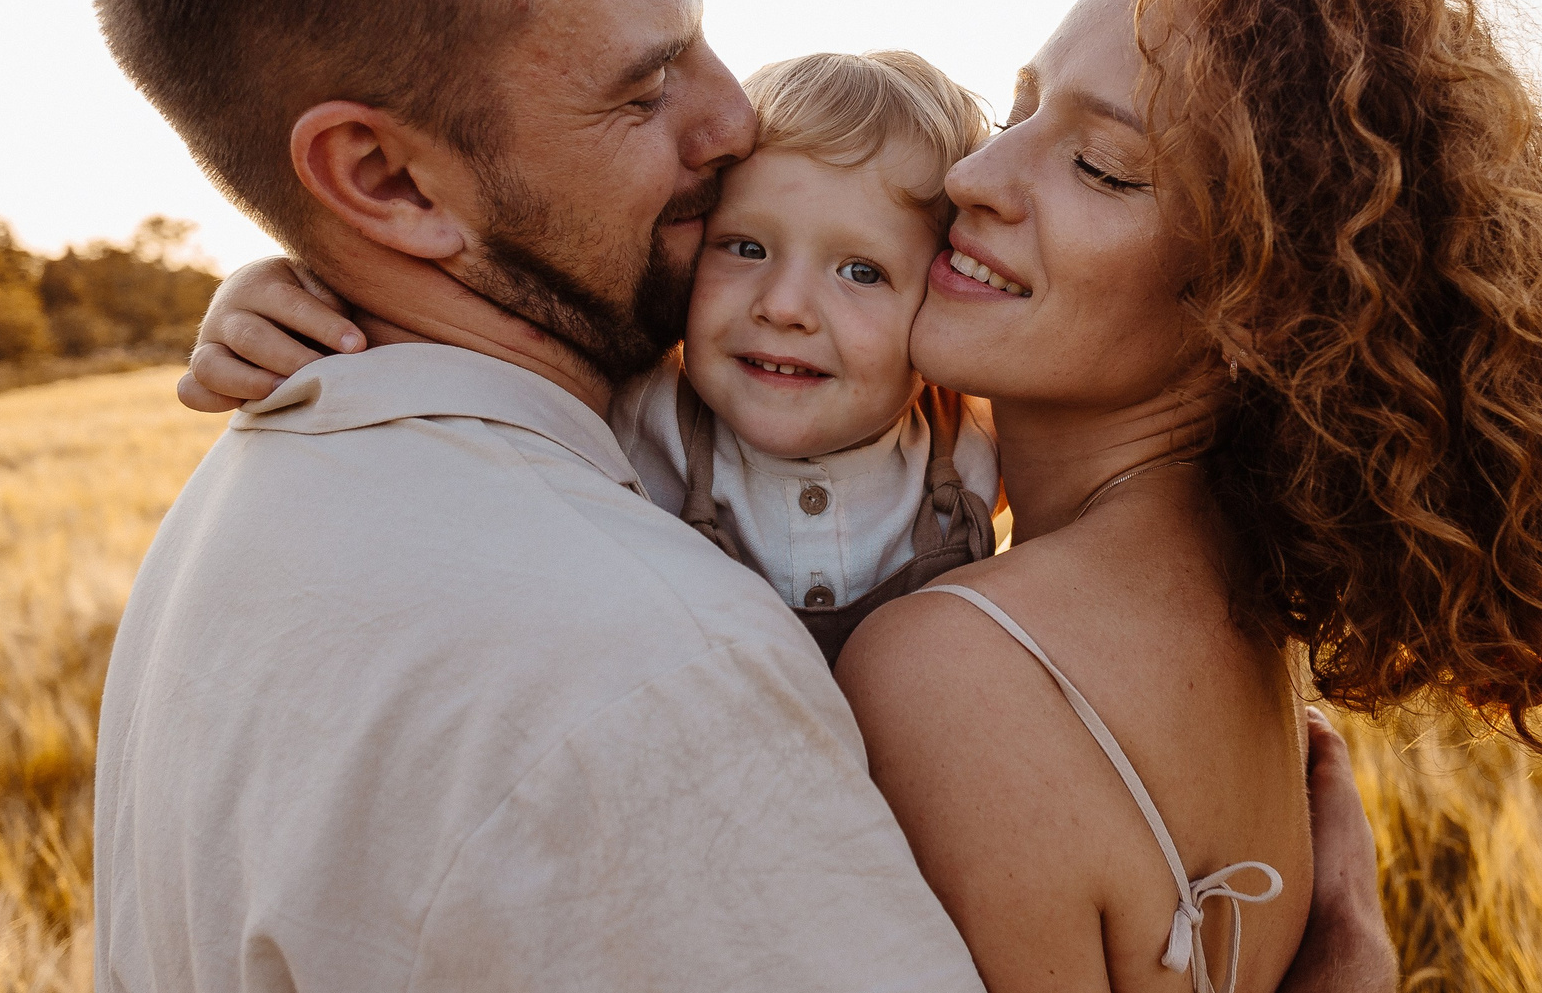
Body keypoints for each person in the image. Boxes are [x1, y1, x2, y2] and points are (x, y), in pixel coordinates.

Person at [192, 0, 1542, 993]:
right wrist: (341, 277)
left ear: (1260, 301)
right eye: (1020, 107)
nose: (981, 176)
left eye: (1105, 168)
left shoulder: (959, 666)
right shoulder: (1211, 576)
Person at [84, 0, 1401, 993]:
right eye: (648, 84)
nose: (730, 118)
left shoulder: (266, 495)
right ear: (383, 177)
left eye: (701, 42)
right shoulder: (639, 687)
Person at [197, 48, 1006, 666]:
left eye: (861, 271)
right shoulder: (635, 403)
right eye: (745, 247)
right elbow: (436, 332)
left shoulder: (974, 441)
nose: (784, 305)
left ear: (943, 298)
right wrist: (268, 291)